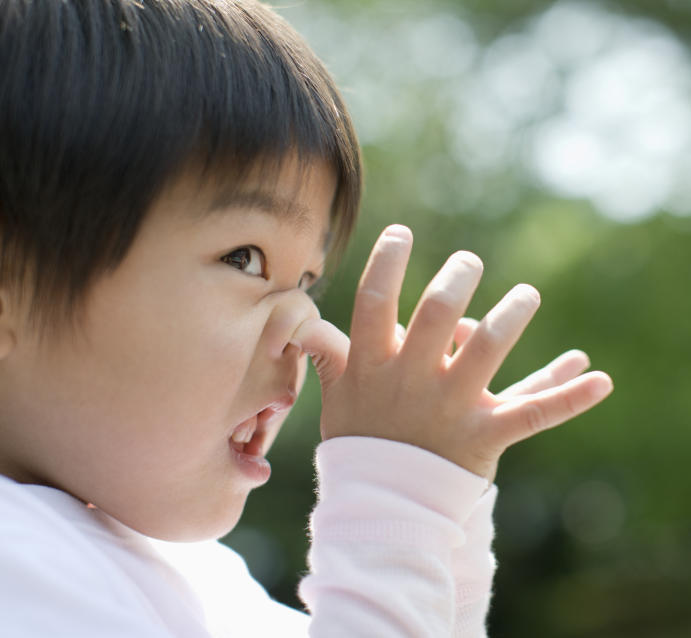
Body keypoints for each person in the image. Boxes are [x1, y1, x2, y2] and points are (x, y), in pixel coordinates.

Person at [0, 0, 613, 636]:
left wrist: (438, 511)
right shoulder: (17, 561)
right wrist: (397, 501)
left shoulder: (195, 573)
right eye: (245, 258)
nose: (311, 330)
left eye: (309, 283)